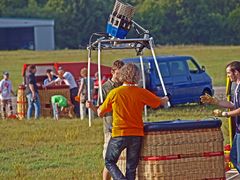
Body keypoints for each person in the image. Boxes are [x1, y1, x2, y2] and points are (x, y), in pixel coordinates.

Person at [97, 63, 169, 180]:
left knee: (109, 161)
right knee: (131, 168)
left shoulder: (115, 93)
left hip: (119, 134)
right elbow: (158, 102)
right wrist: (165, 99)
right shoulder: (141, 92)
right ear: (138, 76)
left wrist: (99, 109)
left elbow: (101, 112)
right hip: (136, 134)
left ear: (122, 75)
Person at [86, 60, 124, 180]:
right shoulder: (105, 88)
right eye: (118, 73)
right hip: (110, 128)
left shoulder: (125, 85)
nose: (120, 76)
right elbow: (100, 111)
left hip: (124, 128)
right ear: (112, 72)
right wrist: (91, 107)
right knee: (109, 161)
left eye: (122, 73)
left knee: (122, 161)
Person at [200, 61, 240, 173]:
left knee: (237, 159)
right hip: (238, 129)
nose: (227, 76)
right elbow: (233, 105)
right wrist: (215, 101)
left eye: (228, 73)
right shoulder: (236, 87)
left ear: (236, 72)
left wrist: (224, 114)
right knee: (234, 158)